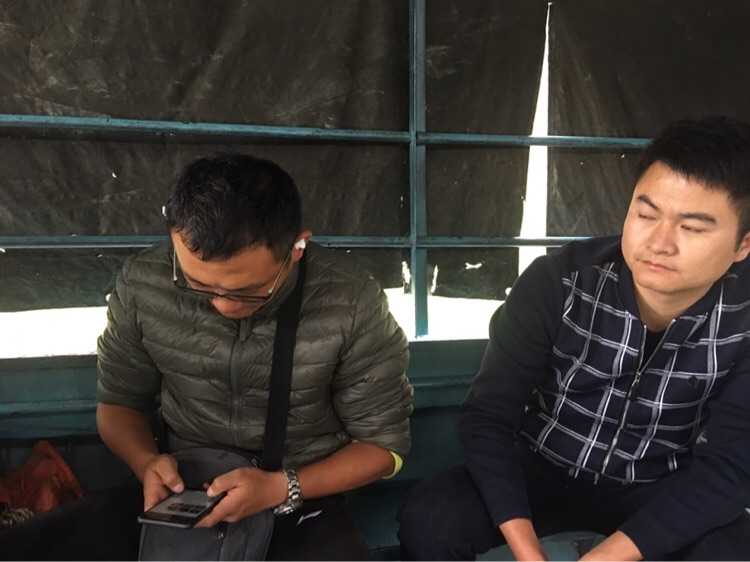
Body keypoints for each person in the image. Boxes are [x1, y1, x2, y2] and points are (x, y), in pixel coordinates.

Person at [398, 116, 750, 561]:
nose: (660, 243)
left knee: (733, 549)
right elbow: (488, 418)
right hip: (544, 466)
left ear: (743, 245)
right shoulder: (560, 281)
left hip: (657, 484)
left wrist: (604, 557)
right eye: (646, 214)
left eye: (693, 228)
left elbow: (730, 464)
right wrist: (528, 553)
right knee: (432, 518)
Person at [96, 153, 413, 560]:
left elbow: (385, 449)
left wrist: (282, 487)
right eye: (196, 284)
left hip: (304, 497)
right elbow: (118, 404)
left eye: (247, 291)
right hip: (183, 489)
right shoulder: (144, 284)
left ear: (297, 247)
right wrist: (146, 463)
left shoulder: (350, 301)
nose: (222, 305)